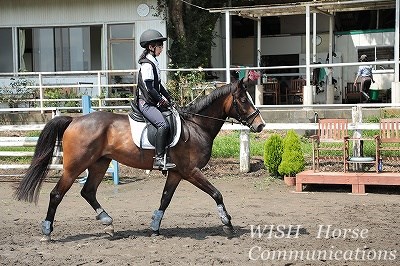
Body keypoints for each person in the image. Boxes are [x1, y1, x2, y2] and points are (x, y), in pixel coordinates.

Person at [136, 29, 175, 170]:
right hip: (146, 103)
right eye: (160, 46)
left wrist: (169, 97)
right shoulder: (147, 64)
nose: (161, 49)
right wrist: (160, 100)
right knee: (163, 125)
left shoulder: (154, 62)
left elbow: (158, 85)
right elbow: (150, 88)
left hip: (152, 100)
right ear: (151, 47)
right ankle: (158, 159)